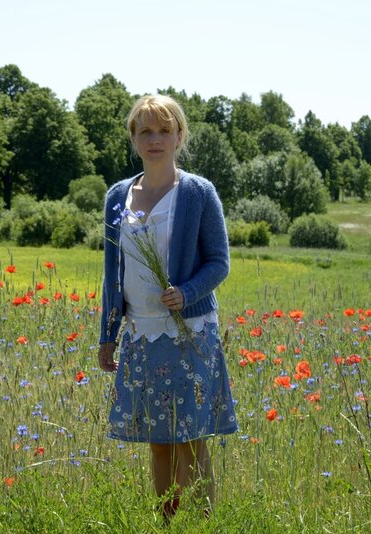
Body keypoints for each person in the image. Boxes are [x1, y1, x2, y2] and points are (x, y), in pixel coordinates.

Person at [98, 94, 238, 521]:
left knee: (190, 439)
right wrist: (108, 334)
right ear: (134, 139)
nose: (154, 139)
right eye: (145, 131)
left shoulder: (197, 193)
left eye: (164, 130)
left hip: (189, 333)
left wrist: (188, 291)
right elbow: (112, 273)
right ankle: (167, 523)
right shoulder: (118, 196)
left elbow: (219, 262)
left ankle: (200, 525)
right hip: (142, 334)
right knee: (158, 441)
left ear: (179, 136)